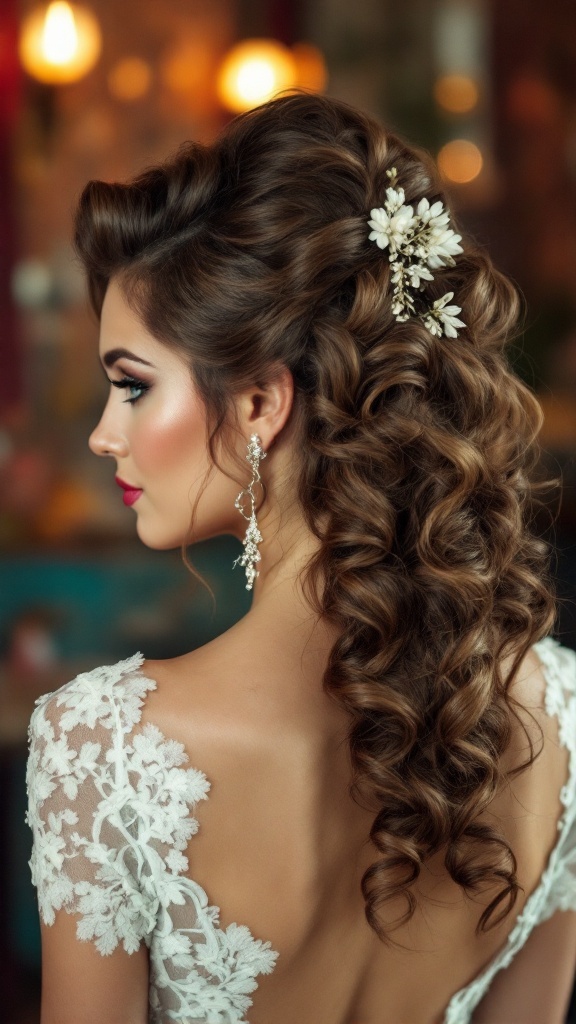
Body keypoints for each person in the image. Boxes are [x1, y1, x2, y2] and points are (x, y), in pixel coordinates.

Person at [25, 91, 576, 1024]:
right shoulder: (561, 719)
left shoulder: (105, 751)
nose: (101, 437)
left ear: (257, 405)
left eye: (130, 386)